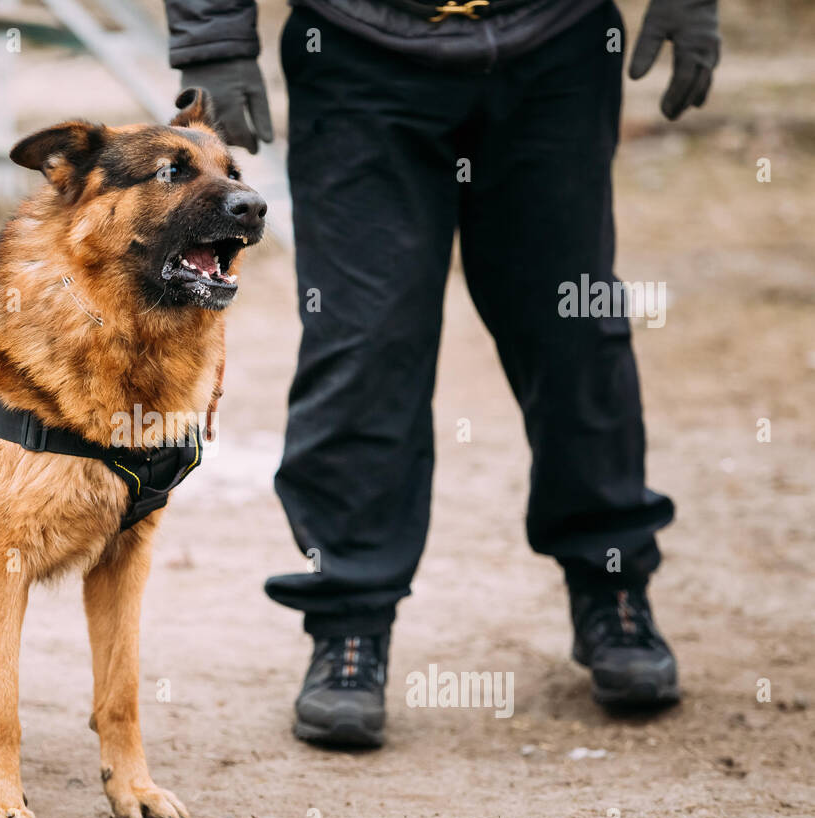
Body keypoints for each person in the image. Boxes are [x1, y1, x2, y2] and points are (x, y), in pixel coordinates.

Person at [163, 0, 720, 746]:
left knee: (574, 331)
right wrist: (214, 40)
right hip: (358, 49)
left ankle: (611, 587)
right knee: (364, 340)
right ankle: (350, 625)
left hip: (556, 42)